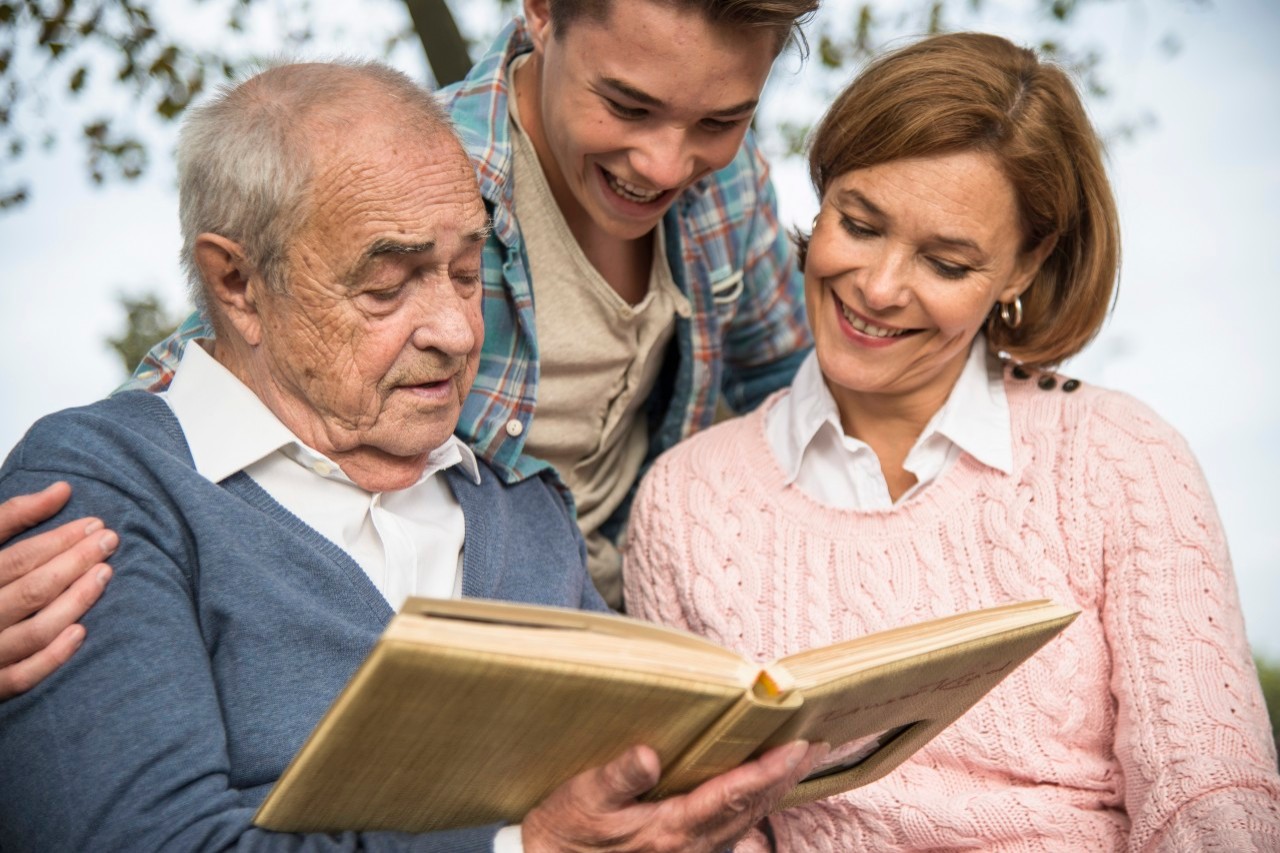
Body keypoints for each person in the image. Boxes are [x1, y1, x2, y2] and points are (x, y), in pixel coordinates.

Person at [0, 61, 824, 851]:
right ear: (239, 283)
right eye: (388, 286)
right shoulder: (107, 485)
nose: (459, 332)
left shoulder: (528, 511)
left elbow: (643, 795)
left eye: (468, 273)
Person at [623, 32, 1280, 851]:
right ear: (820, 196)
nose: (879, 287)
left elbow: (1208, 794)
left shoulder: (1121, 458)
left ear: (1023, 267)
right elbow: (715, 831)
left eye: (945, 261)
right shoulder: (685, 505)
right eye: (859, 224)